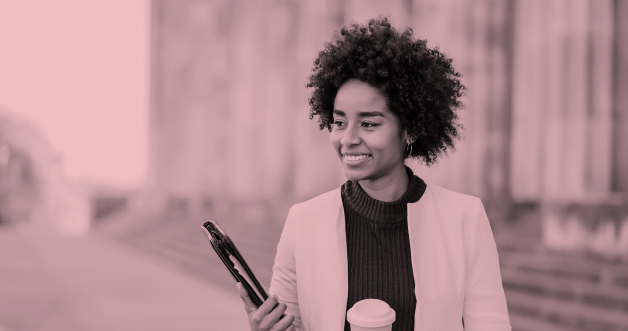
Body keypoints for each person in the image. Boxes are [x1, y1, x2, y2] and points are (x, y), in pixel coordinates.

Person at [237, 16, 511, 331]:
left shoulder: (465, 218)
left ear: (410, 129)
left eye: (368, 123)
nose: (348, 139)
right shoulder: (303, 222)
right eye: (340, 122)